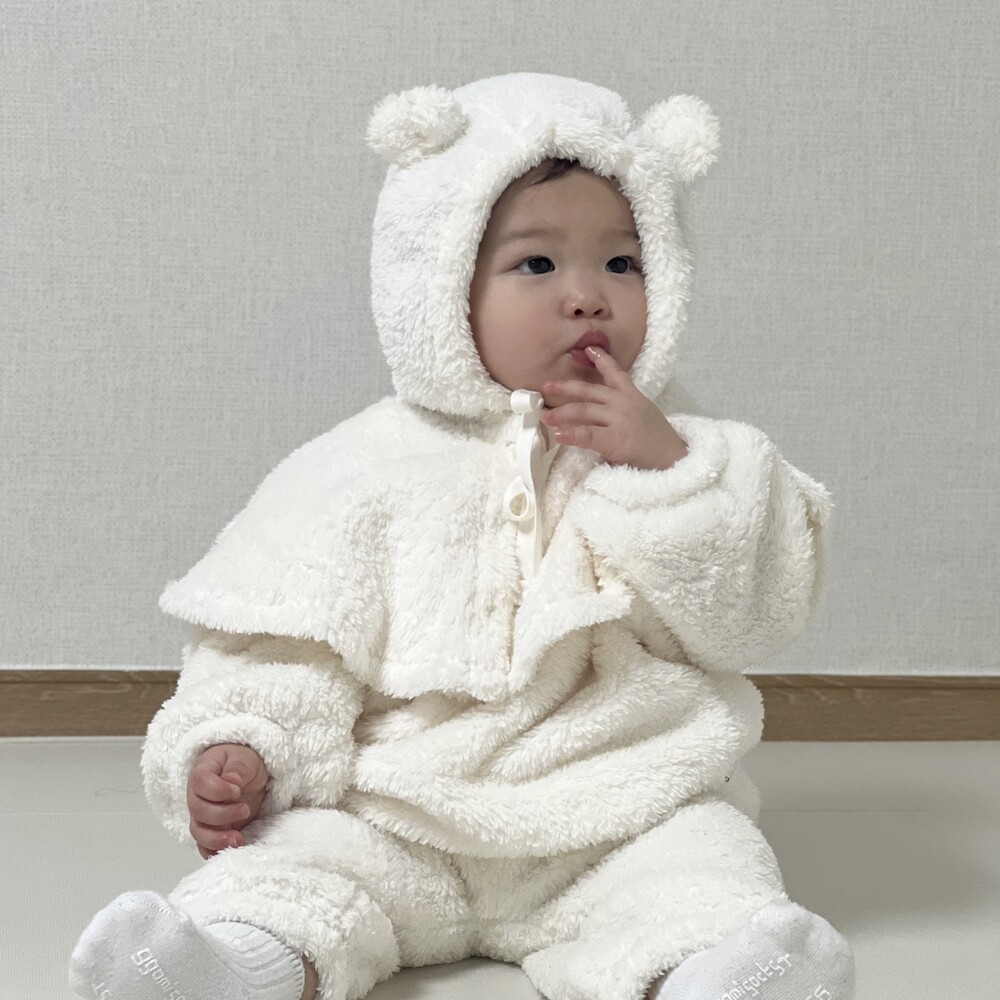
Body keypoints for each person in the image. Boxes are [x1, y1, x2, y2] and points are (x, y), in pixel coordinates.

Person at [69, 73, 855, 1000]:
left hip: (614, 807)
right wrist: (242, 743)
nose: (588, 298)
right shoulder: (359, 469)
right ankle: (229, 965)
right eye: (537, 264)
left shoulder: (693, 455)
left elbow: (753, 617)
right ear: (440, 282)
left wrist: (668, 473)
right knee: (294, 866)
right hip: (397, 810)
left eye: (622, 263)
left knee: (700, 859)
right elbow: (279, 642)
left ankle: (719, 975)